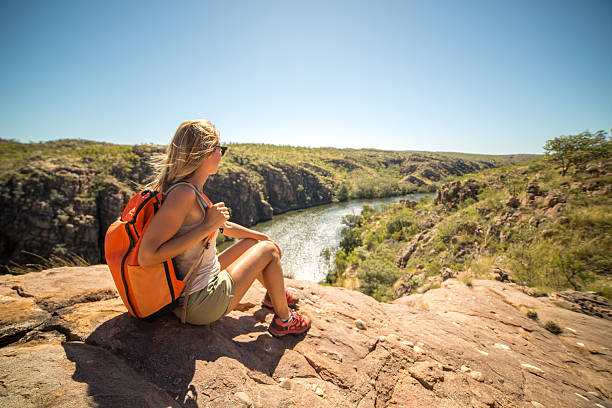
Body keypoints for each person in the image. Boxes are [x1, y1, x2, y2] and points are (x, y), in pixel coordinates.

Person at [137, 119, 311, 337]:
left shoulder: (191, 190)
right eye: (221, 149)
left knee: (256, 244)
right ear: (206, 153)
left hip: (198, 286)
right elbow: (147, 256)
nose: (222, 154)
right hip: (199, 301)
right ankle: (285, 320)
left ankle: (273, 295)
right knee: (269, 252)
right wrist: (206, 227)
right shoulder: (183, 194)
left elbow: (223, 226)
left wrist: (260, 235)